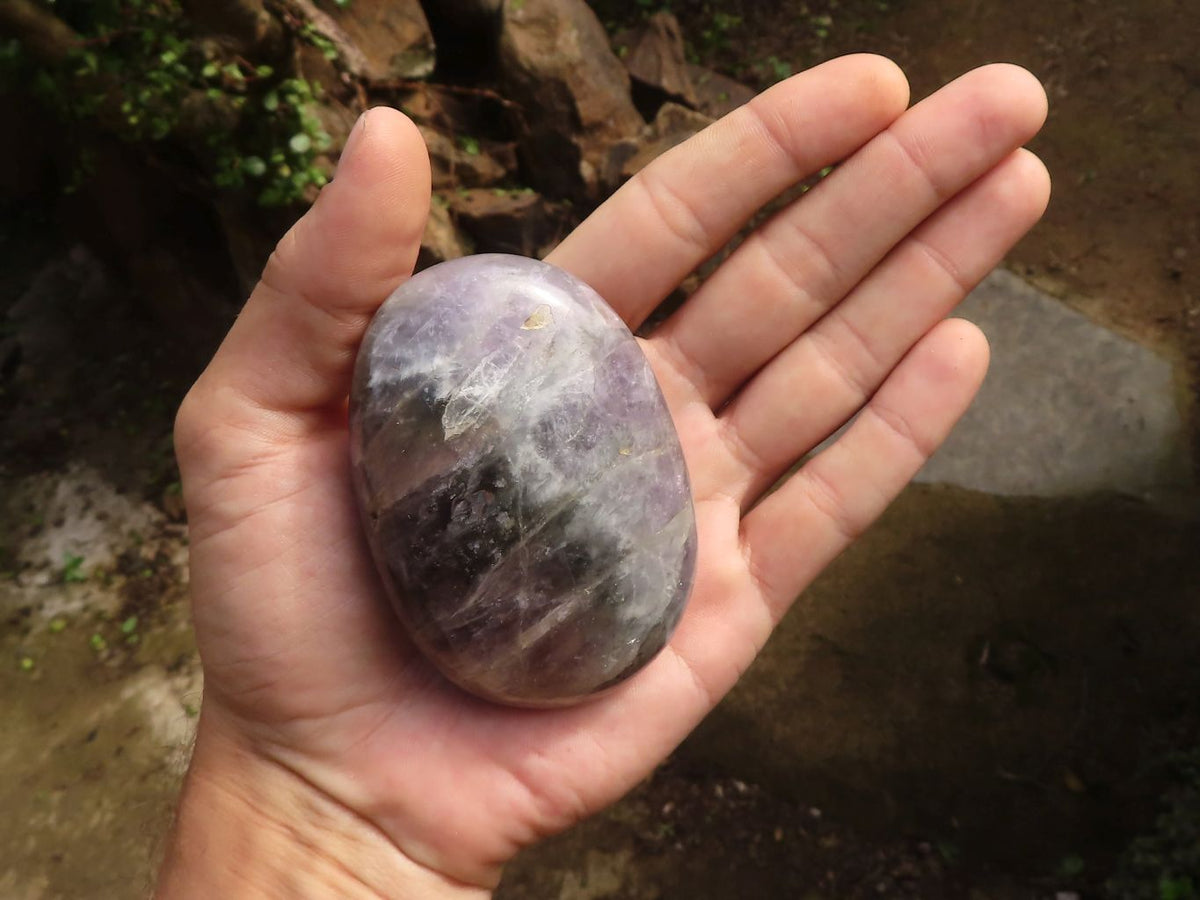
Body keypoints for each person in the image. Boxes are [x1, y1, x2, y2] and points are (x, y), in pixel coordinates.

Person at [155, 55, 1049, 898]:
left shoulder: (482, 348)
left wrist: (312, 818)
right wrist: (312, 804)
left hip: (572, 617)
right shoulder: (457, 360)